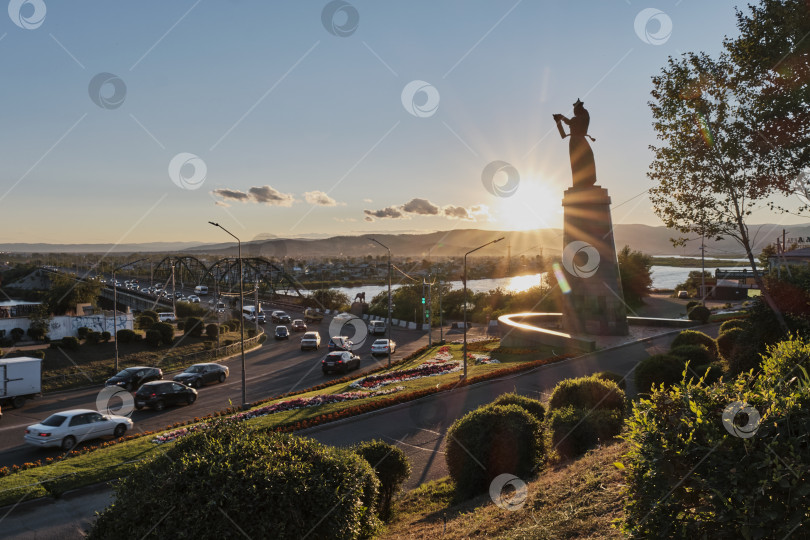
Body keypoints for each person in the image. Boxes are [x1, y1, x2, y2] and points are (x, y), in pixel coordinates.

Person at [553, 99, 597, 189]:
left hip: (580, 140)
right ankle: (581, 182)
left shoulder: (583, 117)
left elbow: (571, 122)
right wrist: (559, 120)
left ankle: (587, 181)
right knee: (578, 162)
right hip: (576, 141)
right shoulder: (579, 117)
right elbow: (565, 132)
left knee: (587, 159)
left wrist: (561, 117)